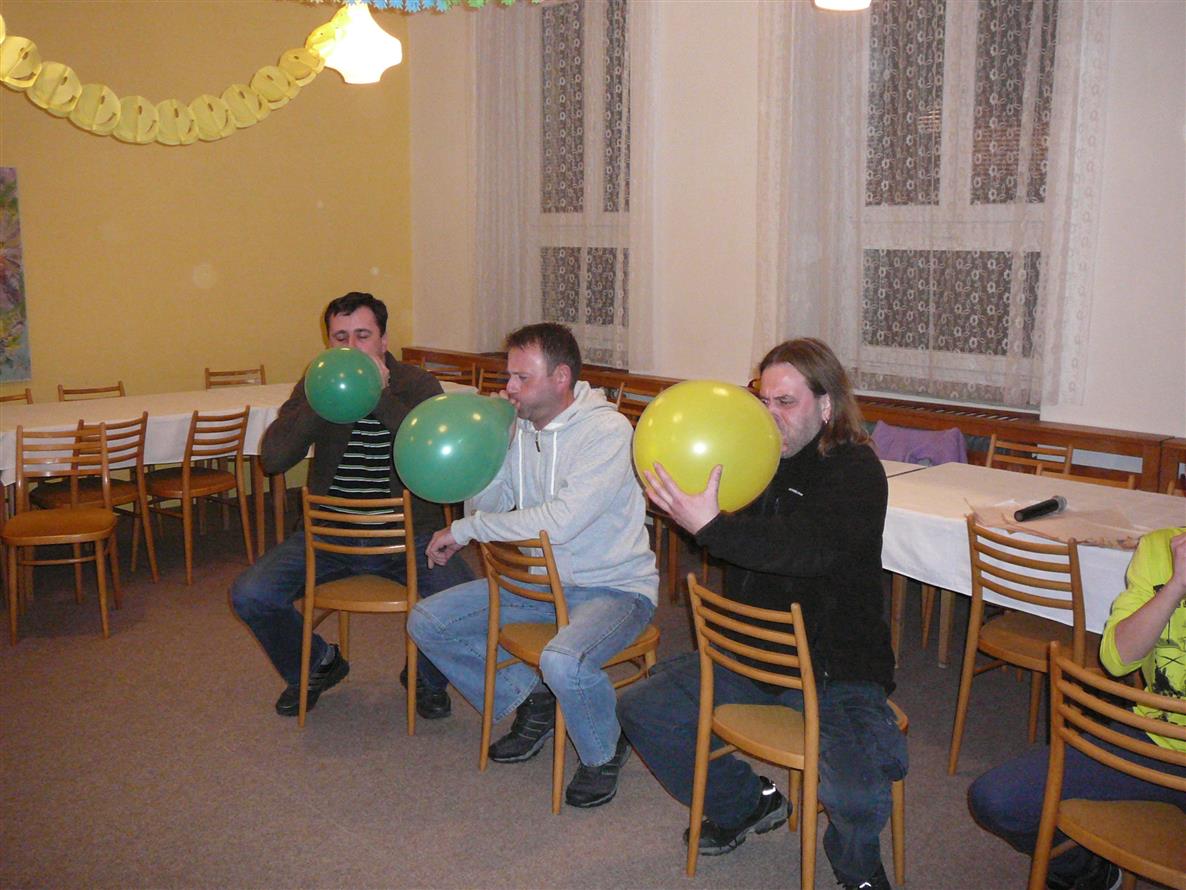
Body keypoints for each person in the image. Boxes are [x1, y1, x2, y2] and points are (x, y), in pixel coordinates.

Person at [617, 338, 905, 890]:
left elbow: (808, 550)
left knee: (856, 796)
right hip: (752, 657)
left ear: (826, 405)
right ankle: (747, 802)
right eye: (763, 399)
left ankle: (856, 869)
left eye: (786, 402)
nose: (769, 414)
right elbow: (729, 541)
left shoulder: (855, 470)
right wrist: (692, 516)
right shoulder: (753, 454)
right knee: (642, 710)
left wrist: (712, 527)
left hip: (834, 669)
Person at [407, 322, 658, 809]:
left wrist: (466, 531)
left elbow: (561, 523)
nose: (509, 388)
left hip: (613, 588)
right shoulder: (519, 428)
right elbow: (490, 505)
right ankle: (533, 700)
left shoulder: (607, 432)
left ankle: (605, 750)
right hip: (538, 586)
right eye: (510, 376)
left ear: (561, 378)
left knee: (562, 659)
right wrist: (490, 453)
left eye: (522, 378)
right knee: (428, 621)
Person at [231, 292, 472, 719]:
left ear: (384, 340)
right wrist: (321, 400)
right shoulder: (319, 383)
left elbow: (432, 450)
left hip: (409, 537)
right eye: (340, 338)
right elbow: (274, 459)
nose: (351, 348)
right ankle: (316, 665)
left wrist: (377, 395)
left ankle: (426, 677)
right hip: (329, 536)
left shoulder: (416, 384)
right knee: (251, 594)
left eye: (362, 336)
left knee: (464, 600)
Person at [968, 527, 1186, 890]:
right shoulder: (1162, 546)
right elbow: (1117, 660)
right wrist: (1176, 586)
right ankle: (1090, 874)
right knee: (997, 799)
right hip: (1153, 741)